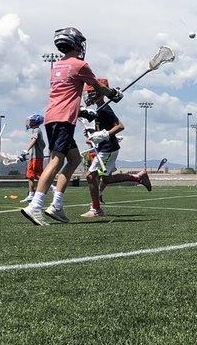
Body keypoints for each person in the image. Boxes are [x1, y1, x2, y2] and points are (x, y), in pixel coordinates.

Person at [21, 27, 122, 225]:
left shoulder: (56, 67)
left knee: (74, 159)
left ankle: (56, 206)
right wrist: (113, 94)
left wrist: (83, 110)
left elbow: (67, 93)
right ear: (77, 43)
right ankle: (35, 205)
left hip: (52, 116)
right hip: (64, 118)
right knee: (56, 161)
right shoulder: (81, 65)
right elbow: (98, 87)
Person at [79, 78, 152, 218]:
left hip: (108, 149)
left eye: (91, 93)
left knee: (90, 176)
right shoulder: (99, 109)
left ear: (99, 92)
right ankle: (139, 177)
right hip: (104, 147)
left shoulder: (105, 109)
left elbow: (120, 126)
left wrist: (104, 134)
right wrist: (93, 132)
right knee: (106, 179)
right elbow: (102, 130)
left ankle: (96, 209)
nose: (88, 96)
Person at [20, 113, 46, 204]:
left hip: (37, 157)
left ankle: (53, 187)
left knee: (38, 175)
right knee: (30, 176)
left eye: (31, 121)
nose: (29, 123)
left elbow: (34, 140)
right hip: (33, 156)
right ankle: (31, 195)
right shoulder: (34, 130)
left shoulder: (36, 130)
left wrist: (26, 150)